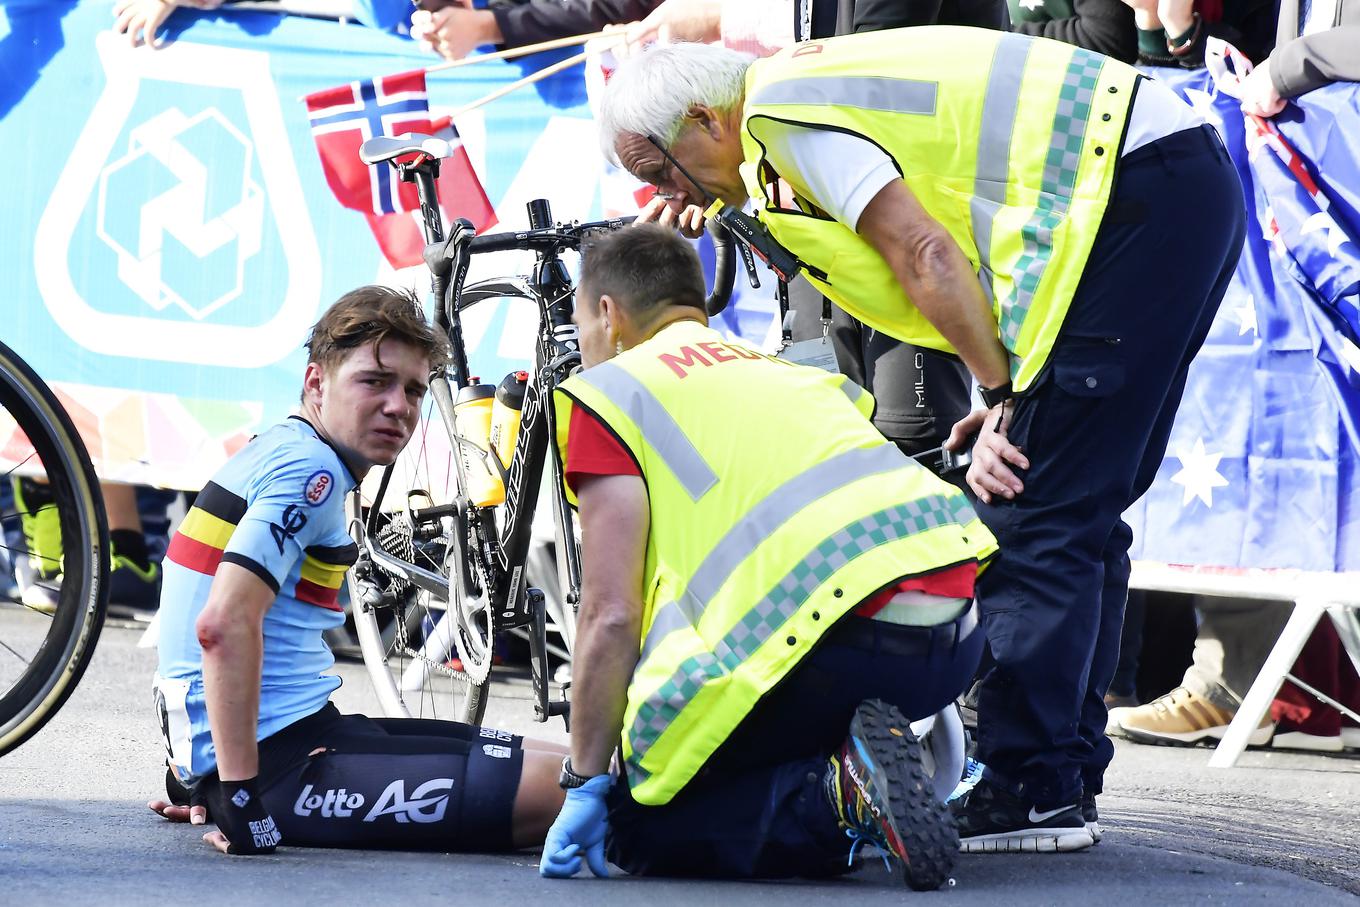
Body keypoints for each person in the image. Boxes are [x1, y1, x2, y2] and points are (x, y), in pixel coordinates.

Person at [598, 31, 1246, 853]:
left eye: (657, 168)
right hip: (1163, 179)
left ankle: (1031, 786)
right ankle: (1060, 778)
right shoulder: (797, 96)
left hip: (1131, 191)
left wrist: (1006, 393)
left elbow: (926, 250)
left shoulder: (781, 117)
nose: (663, 193)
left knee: (1030, 502)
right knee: (1077, 499)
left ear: (702, 118)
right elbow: (967, 242)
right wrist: (999, 387)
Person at [538, 224, 996, 886]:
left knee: (636, 823)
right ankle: (864, 773)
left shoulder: (616, 393)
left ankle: (836, 800)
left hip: (838, 643)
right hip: (953, 636)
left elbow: (610, 612)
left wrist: (584, 780)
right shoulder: (790, 373)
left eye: (580, 322)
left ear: (606, 313)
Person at [146, 286, 567, 855]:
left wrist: (198, 768)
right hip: (280, 770)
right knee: (592, 794)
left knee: (579, 769)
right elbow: (220, 624)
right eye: (375, 381)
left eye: (414, 390)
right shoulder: (310, 472)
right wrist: (240, 793)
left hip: (304, 736)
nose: (401, 407)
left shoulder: (285, 447)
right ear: (316, 383)